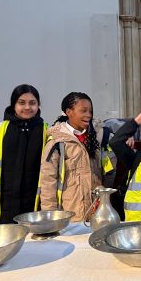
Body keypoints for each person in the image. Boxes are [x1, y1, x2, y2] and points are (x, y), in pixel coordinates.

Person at [39, 92, 106, 221]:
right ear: (69, 112)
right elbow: (48, 181)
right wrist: (50, 216)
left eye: (90, 111)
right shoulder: (57, 142)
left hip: (95, 213)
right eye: (83, 111)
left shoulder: (94, 138)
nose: (88, 115)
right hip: (70, 217)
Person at [0, 84, 46, 223]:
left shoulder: (46, 132)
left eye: (32, 103)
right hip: (3, 208)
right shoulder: (0, 130)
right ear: (13, 105)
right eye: (21, 103)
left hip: (34, 207)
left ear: (38, 105)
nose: (27, 107)